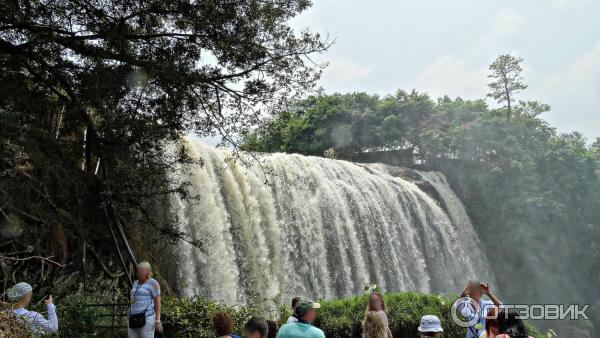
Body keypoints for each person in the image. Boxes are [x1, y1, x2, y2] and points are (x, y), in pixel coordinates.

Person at [128, 261, 163, 338]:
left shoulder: (153, 283)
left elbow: (157, 302)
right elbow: (133, 298)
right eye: (138, 271)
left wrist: (157, 320)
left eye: (140, 272)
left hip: (146, 319)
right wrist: (131, 311)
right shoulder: (135, 283)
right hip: (133, 318)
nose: (137, 273)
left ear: (147, 272)